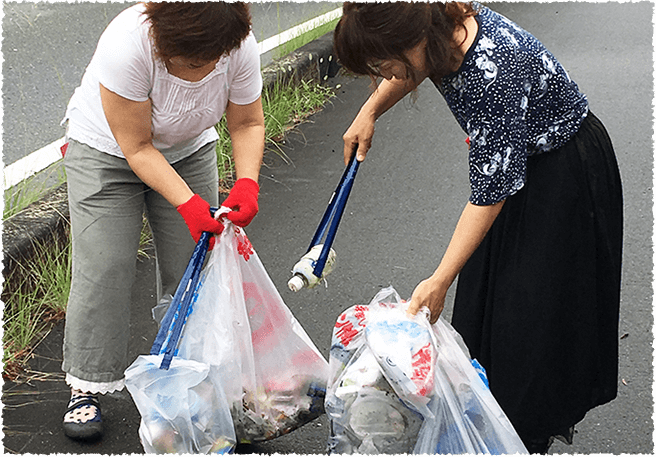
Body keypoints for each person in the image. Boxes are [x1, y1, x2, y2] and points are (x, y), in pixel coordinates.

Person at [333, 2, 623, 454]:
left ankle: (520, 439)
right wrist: (369, 112)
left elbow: (489, 193)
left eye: (381, 62)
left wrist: (439, 280)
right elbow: (410, 67)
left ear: (410, 39)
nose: (381, 73)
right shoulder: (436, 26)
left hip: (562, 175)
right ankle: (494, 430)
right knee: (487, 309)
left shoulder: (492, 72)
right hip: (519, 166)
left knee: (528, 326)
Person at [60, 1, 265, 440]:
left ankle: (188, 379)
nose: (201, 71)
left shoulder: (238, 45)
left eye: (210, 62)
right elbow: (136, 147)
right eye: (190, 63)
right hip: (107, 150)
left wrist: (247, 184)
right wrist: (188, 204)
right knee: (105, 266)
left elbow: (247, 122)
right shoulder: (128, 43)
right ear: (163, 40)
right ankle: (87, 385)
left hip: (188, 149)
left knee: (194, 266)